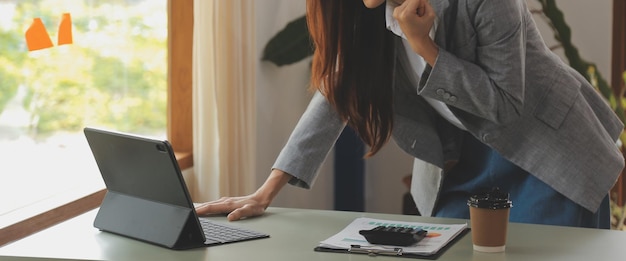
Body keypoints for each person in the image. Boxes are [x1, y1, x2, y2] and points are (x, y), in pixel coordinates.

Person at [196, 0, 624, 229]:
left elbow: (504, 106)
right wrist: (266, 190)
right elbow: (335, 95)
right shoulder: (374, 15)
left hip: (547, 155)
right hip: (464, 164)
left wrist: (424, 46)